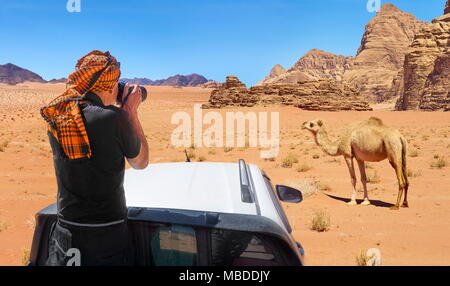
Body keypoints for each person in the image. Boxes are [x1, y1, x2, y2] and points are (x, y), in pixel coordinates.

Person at [40, 50, 149, 266]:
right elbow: (141, 162)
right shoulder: (113, 117)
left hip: (65, 229)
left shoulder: (60, 117)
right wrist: (130, 112)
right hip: (106, 233)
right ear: (109, 86)